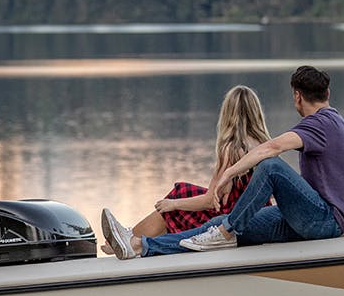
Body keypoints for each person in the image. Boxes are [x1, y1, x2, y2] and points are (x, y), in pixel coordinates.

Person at [102, 65, 344, 260]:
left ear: (297, 96)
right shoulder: (336, 122)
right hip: (313, 219)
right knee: (216, 226)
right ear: (327, 93)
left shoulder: (320, 124)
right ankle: (139, 246)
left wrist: (230, 172)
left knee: (271, 167)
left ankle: (226, 232)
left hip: (323, 221)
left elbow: (273, 148)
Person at [101, 85, 270, 254]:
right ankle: (129, 238)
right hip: (257, 212)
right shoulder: (265, 145)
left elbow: (210, 200)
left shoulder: (232, 148)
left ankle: (129, 240)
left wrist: (173, 204)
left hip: (232, 218)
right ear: (256, 113)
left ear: (227, 114)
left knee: (178, 196)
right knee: (184, 191)